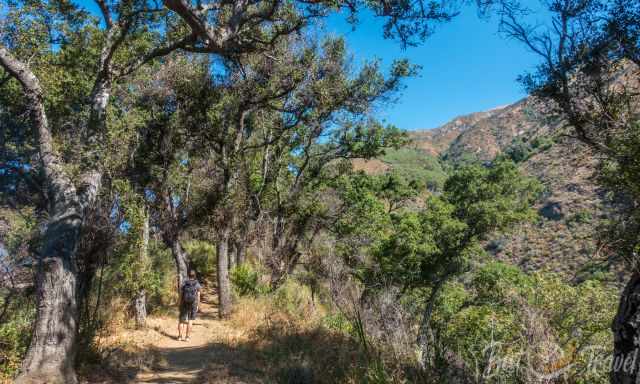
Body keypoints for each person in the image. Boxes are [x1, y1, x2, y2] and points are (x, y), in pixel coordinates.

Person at [178, 270, 201, 341]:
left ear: (188, 275)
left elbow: (181, 294)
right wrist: (198, 305)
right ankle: (187, 337)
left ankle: (180, 337)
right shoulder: (197, 284)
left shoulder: (184, 283)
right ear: (194, 276)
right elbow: (198, 296)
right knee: (190, 320)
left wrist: (179, 303)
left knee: (181, 320)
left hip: (184, 303)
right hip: (193, 303)